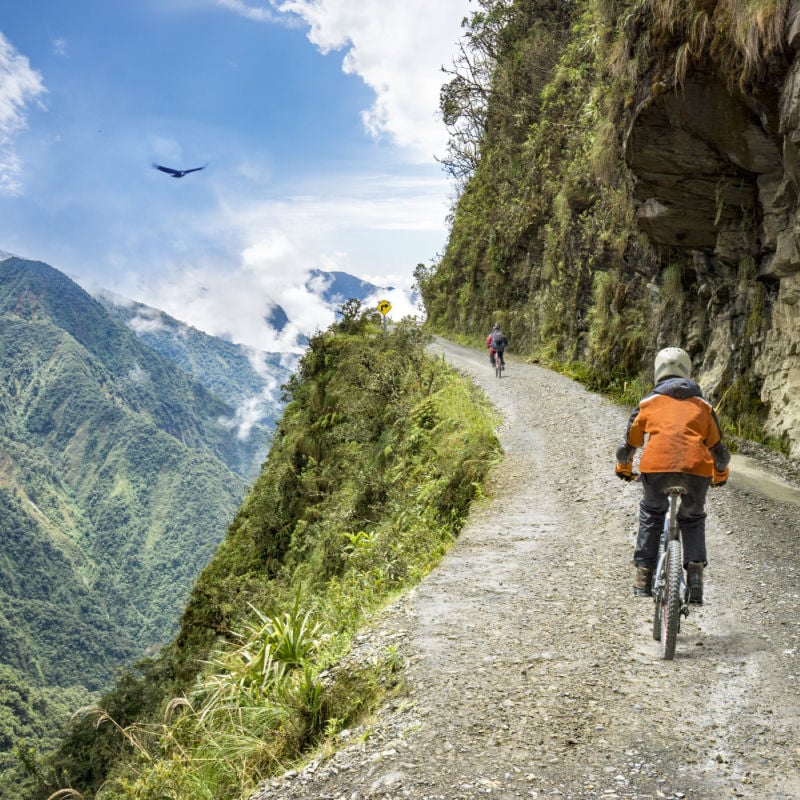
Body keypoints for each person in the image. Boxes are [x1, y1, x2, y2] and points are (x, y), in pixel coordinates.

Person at [615, 347, 730, 604]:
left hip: (656, 471)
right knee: (692, 518)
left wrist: (623, 468)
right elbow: (719, 452)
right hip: (696, 472)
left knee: (652, 514)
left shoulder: (647, 404)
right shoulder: (703, 406)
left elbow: (628, 446)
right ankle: (696, 578)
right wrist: (720, 474)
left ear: (657, 372)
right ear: (687, 371)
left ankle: (643, 577)